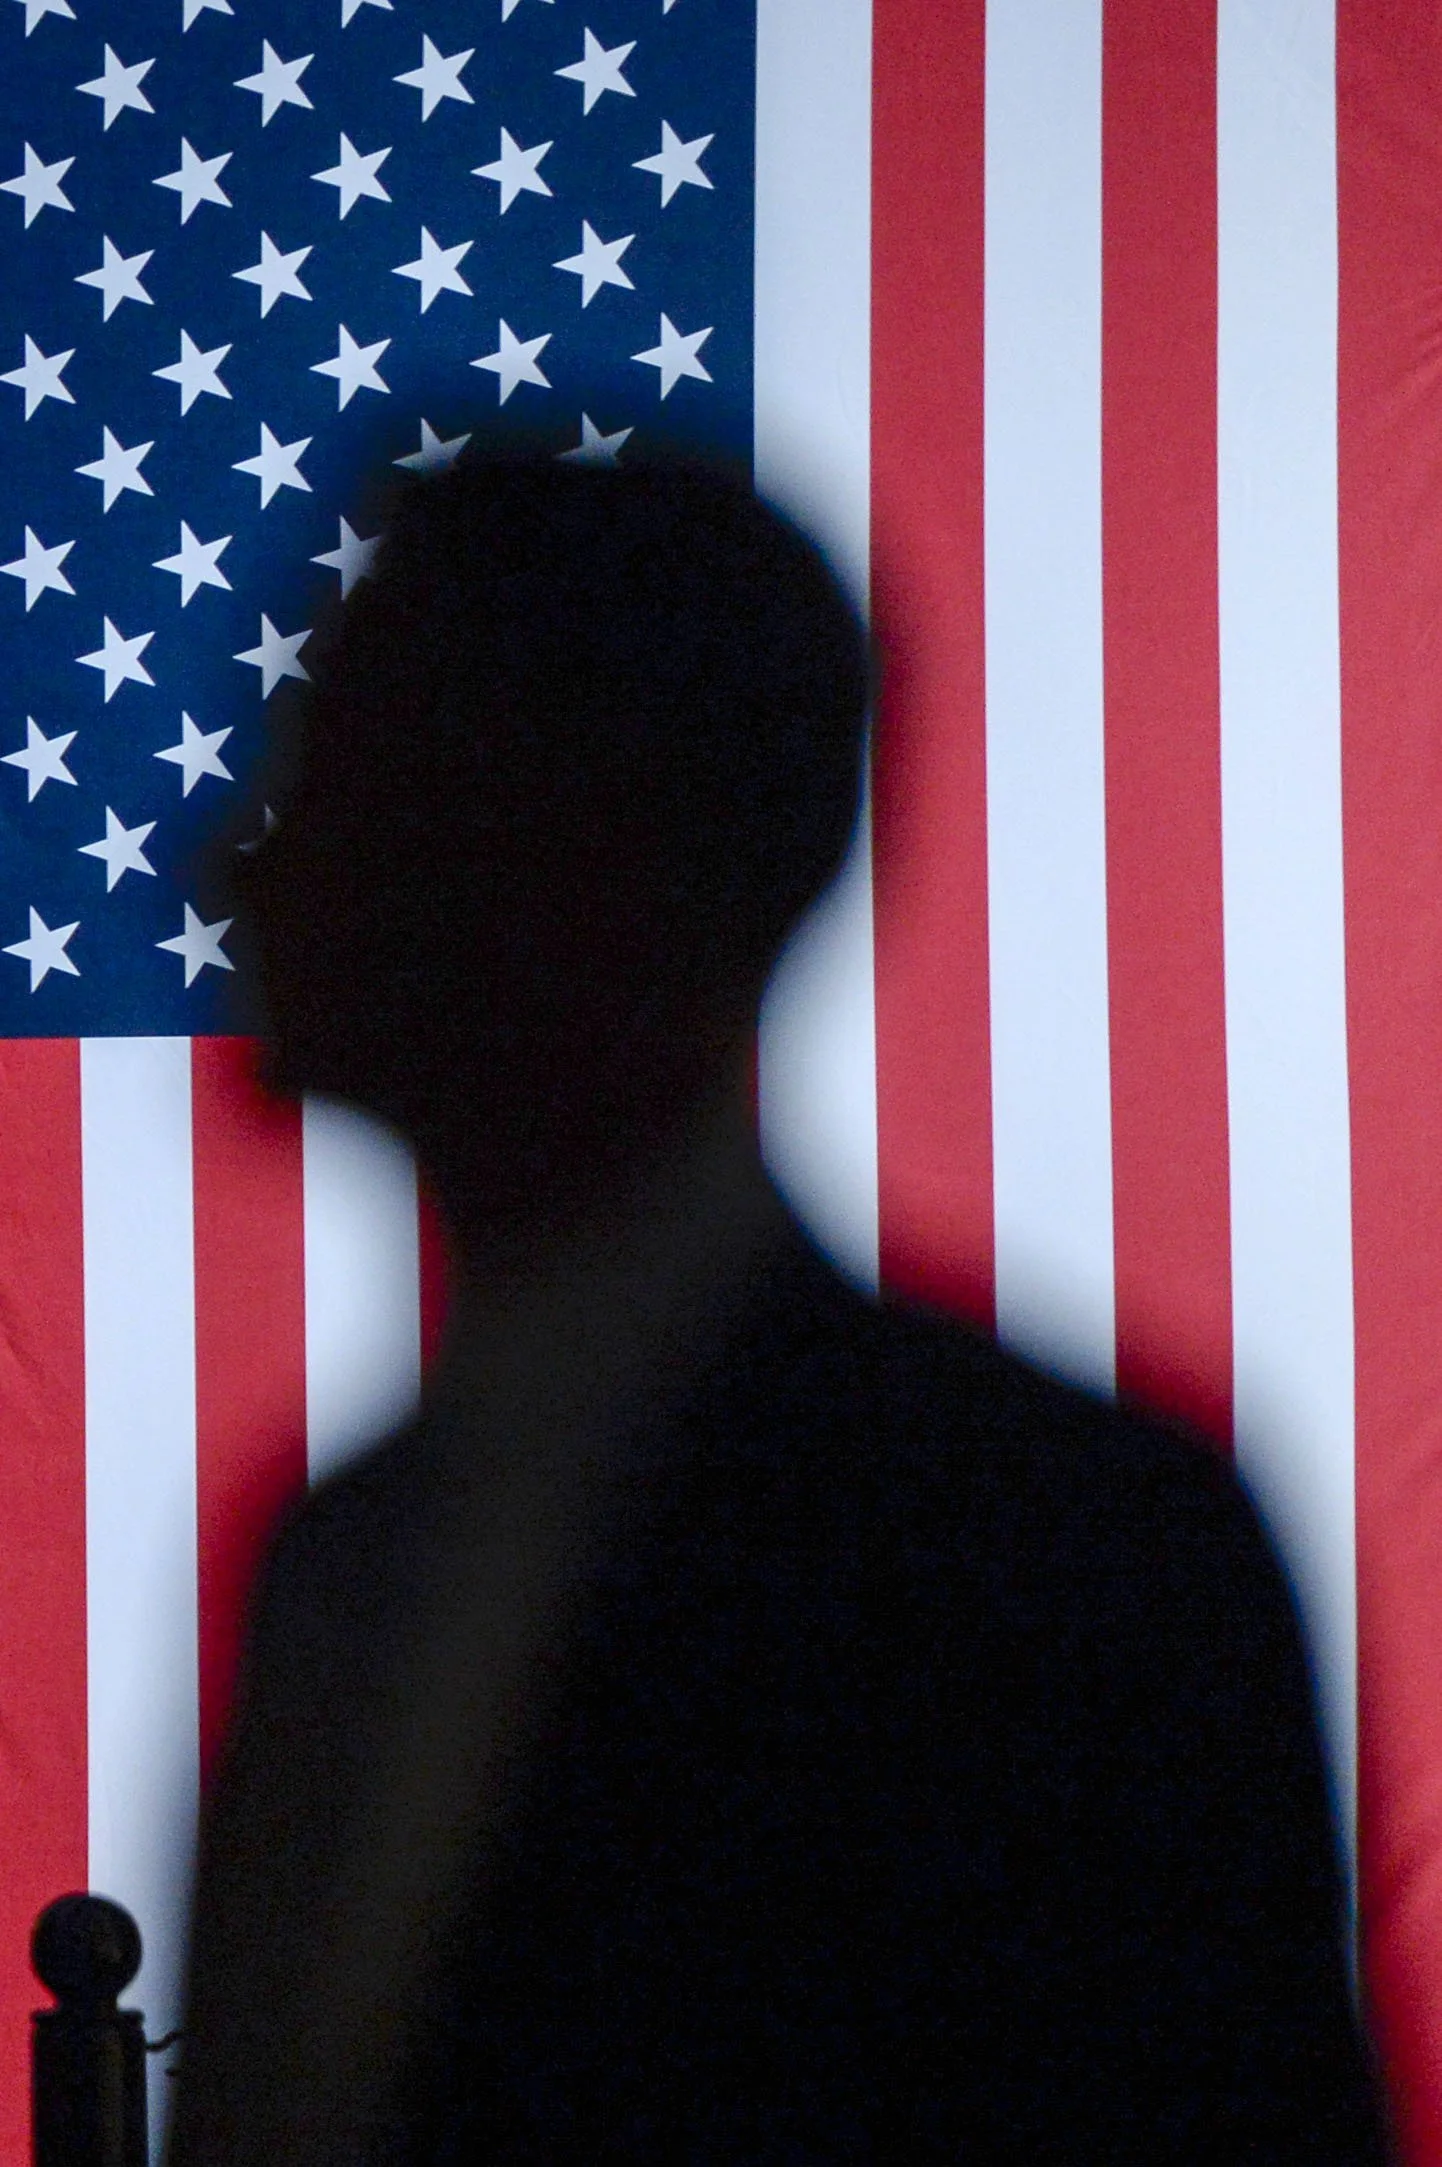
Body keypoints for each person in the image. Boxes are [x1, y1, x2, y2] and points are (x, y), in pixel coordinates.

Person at [167, 450, 1386, 2164]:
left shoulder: (1064, 1569)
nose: (228, 859)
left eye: (345, 774)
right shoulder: (334, 1556)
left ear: (585, 857)